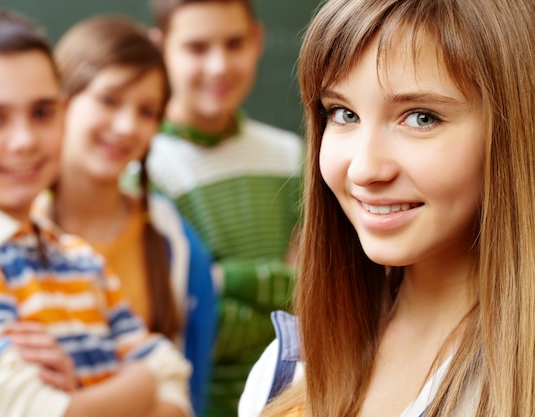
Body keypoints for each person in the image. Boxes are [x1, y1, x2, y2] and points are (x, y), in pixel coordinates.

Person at [239, 0, 535, 416]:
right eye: (343, 114)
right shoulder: (285, 370)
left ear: (515, 132)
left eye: (421, 118)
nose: (364, 169)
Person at [0, 9, 191, 417]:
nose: (24, 140)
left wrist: (79, 396)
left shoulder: (77, 256)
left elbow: (175, 383)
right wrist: (138, 383)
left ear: (62, 112)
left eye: (41, 113)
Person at [30, 15, 217, 416]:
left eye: (147, 111)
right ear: (62, 98)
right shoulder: (12, 230)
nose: (127, 126)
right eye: (109, 99)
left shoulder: (174, 239)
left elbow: (187, 390)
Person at [146, 1, 304, 415]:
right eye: (196, 48)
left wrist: (220, 281)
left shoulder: (291, 156)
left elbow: (317, 295)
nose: (218, 66)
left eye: (234, 44)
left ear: (257, 40)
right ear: (160, 49)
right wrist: (278, 291)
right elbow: (177, 326)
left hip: (291, 398)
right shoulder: (143, 168)